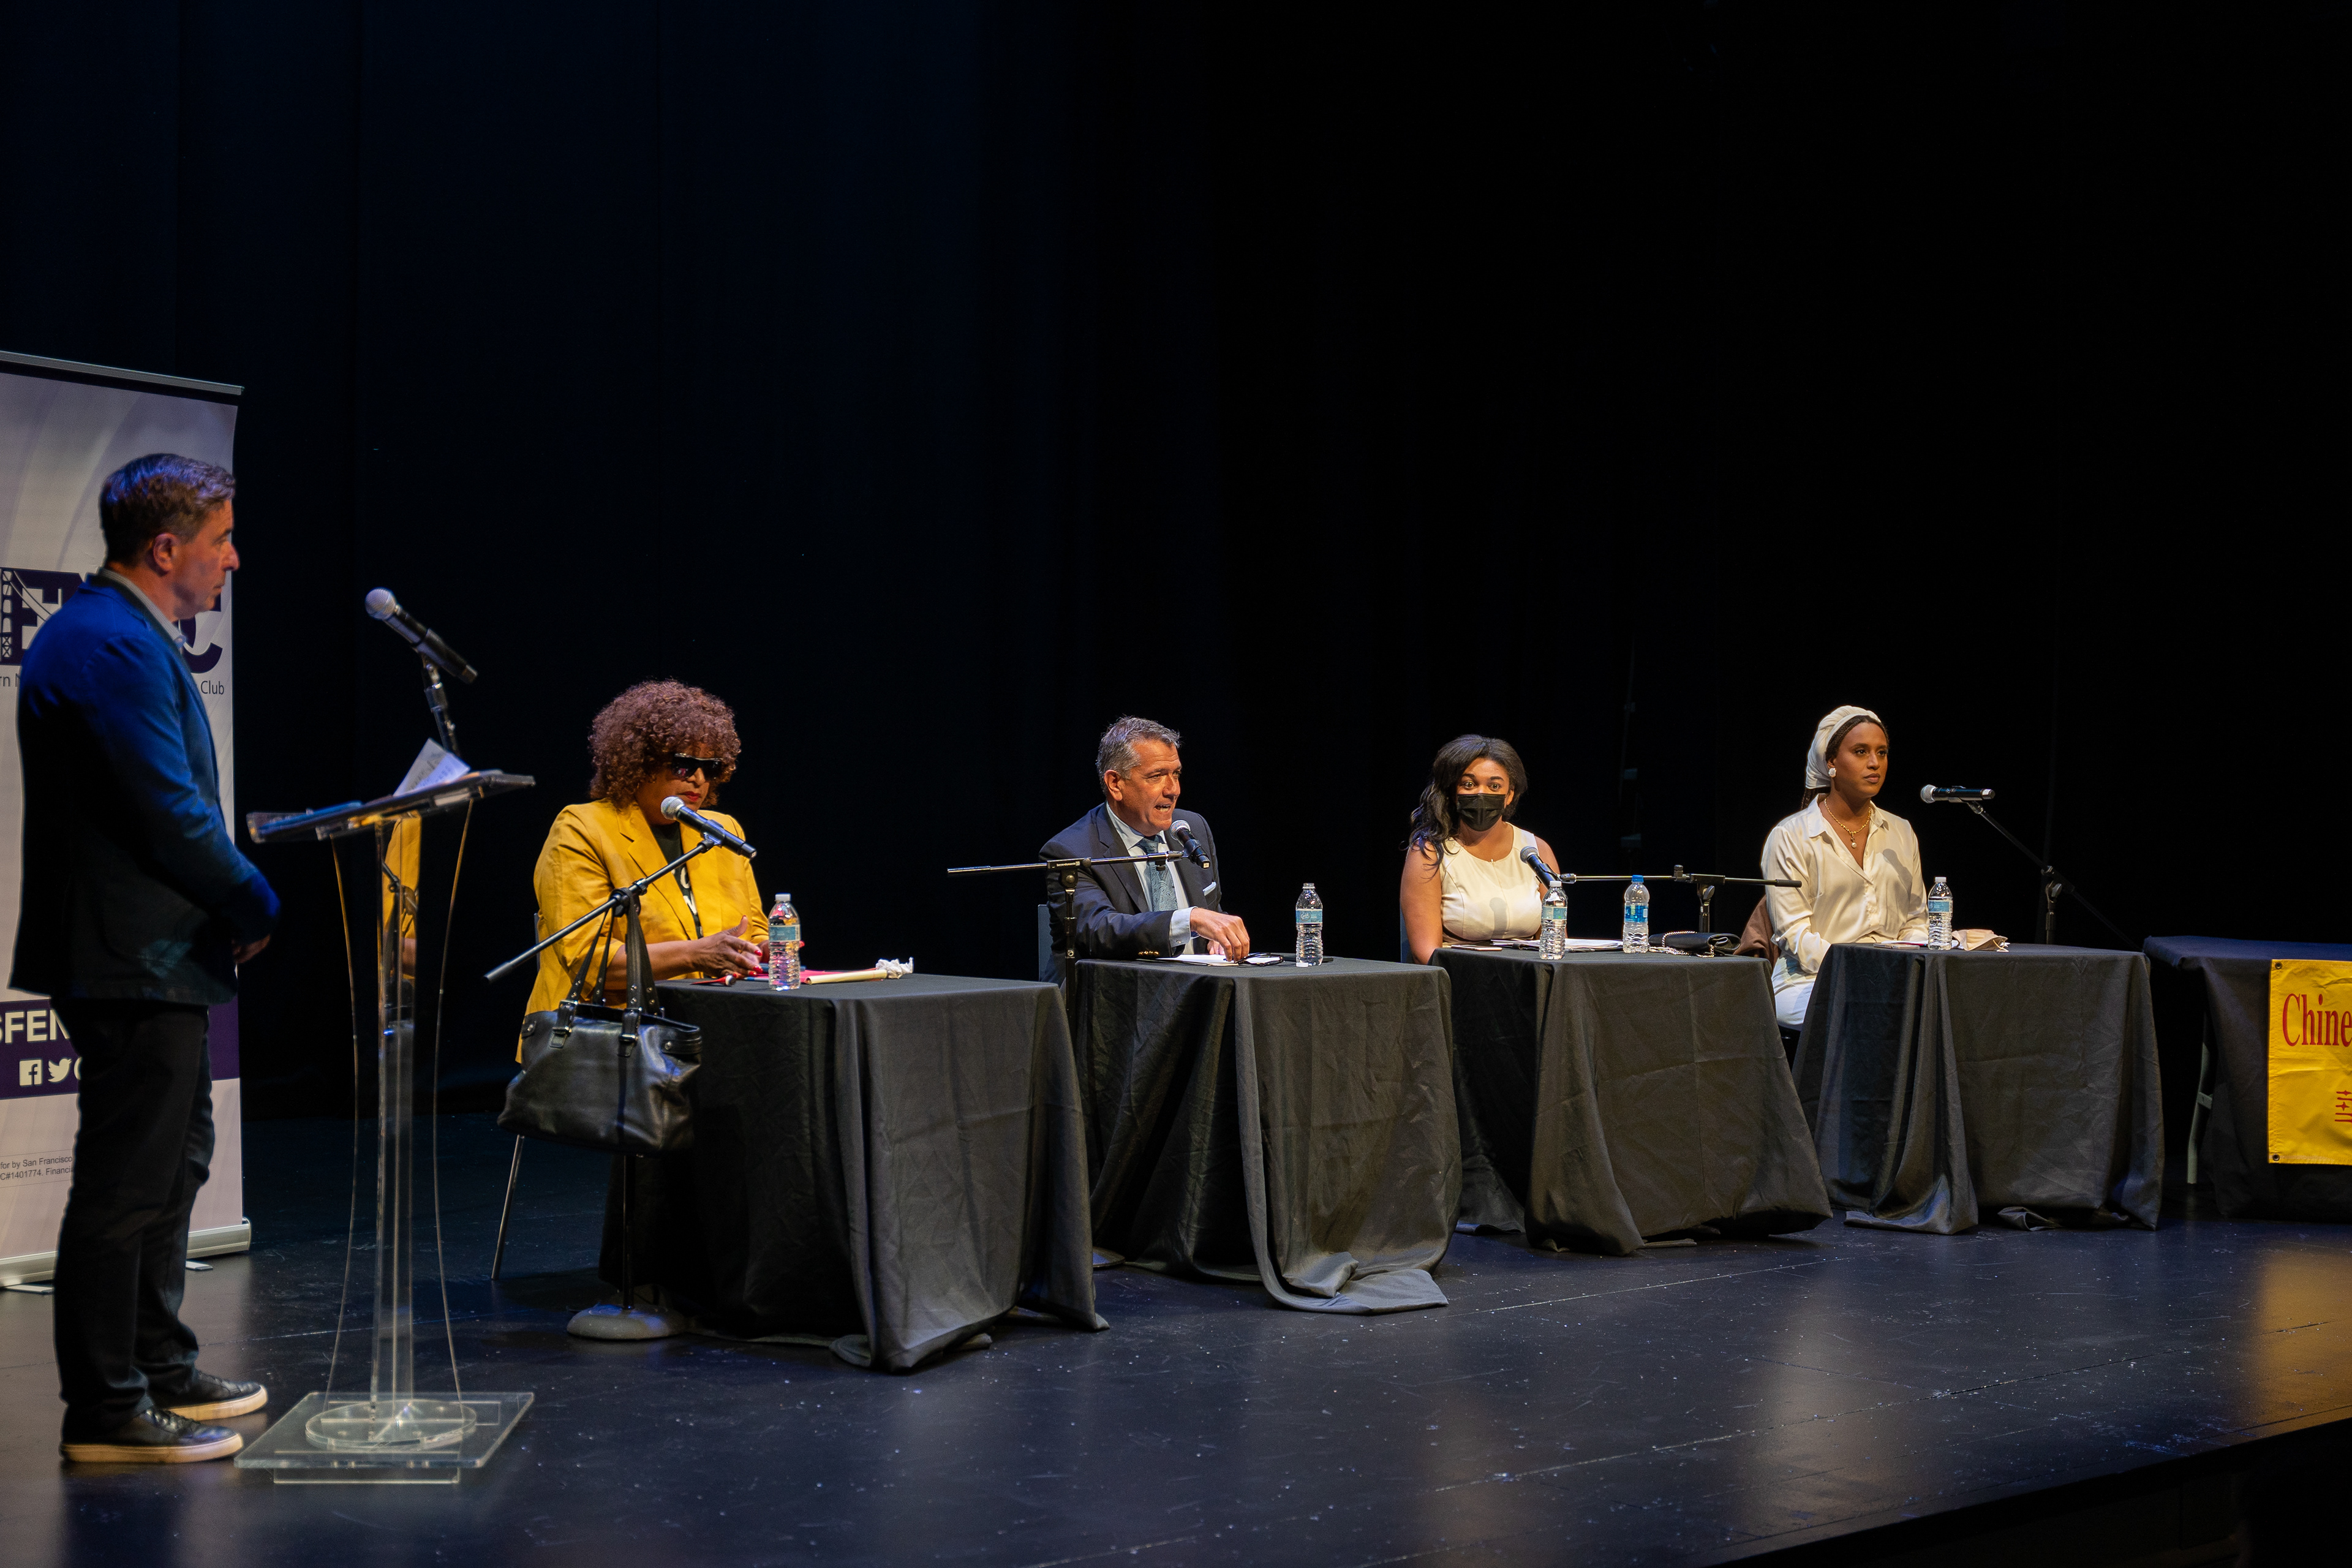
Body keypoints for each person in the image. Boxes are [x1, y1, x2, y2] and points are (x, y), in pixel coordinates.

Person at [12, 454, 280, 1464]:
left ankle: (157, 1366)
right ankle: (108, 1409)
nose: (234, 559)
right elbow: (167, 812)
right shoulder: (108, 644)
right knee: (127, 1184)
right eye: (221, 539)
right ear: (166, 548)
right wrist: (252, 894)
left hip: (161, 955)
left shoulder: (125, 635)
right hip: (131, 956)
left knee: (176, 1166)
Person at [526, 681, 768, 1016]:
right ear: (642, 762)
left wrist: (767, 951)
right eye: (684, 765)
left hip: (709, 1023)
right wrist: (697, 953)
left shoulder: (723, 831)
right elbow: (590, 960)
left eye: (709, 767)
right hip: (605, 1034)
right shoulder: (582, 828)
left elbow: (752, 932)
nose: (698, 778)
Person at [1760, 704, 1929, 1029]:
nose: (1874, 763)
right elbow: (1794, 933)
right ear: (1832, 763)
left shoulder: (1902, 832)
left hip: (1893, 976)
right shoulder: (1791, 836)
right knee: (1865, 1011)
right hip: (1810, 980)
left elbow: (1915, 919)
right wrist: (1864, 972)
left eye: (1882, 753)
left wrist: (1896, 968)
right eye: (1861, 751)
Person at [1039, 715, 1248, 967]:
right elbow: (1099, 931)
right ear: (1115, 784)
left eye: (1176, 774)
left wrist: (1217, 936)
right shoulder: (1070, 850)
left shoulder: (1193, 830)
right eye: (1157, 776)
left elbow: (1211, 913)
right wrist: (1189, 920)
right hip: (1117, 998)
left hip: (1198, 993)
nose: (1173, 790)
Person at [1400, 734, 1562, 963]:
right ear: (1453, 792)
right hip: (1459, 983)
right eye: (1469, 784)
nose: (1481, 793)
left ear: (1509, 795)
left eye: (1494, 786)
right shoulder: (1429, 852)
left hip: (1529, 982)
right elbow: (1427, 954)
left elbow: (1556, 941)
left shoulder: (1537, 850)